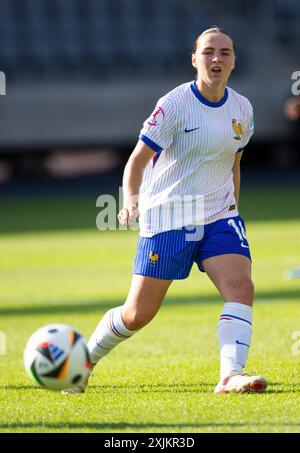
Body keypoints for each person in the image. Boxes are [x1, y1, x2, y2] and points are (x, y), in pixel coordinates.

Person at [63, 27, 267, 395]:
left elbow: (233, 163)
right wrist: (131, 200)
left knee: (241, 286)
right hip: (169, 217)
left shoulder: (243, 108)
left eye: (224, 52)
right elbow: (137, 160)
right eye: (208, 52)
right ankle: (83, 362)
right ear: (195, 59)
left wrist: (234, 207)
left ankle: (229, 376)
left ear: (234, 61)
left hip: (219, 214)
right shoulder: (173, 105)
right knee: (137, 314)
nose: (216, 58)